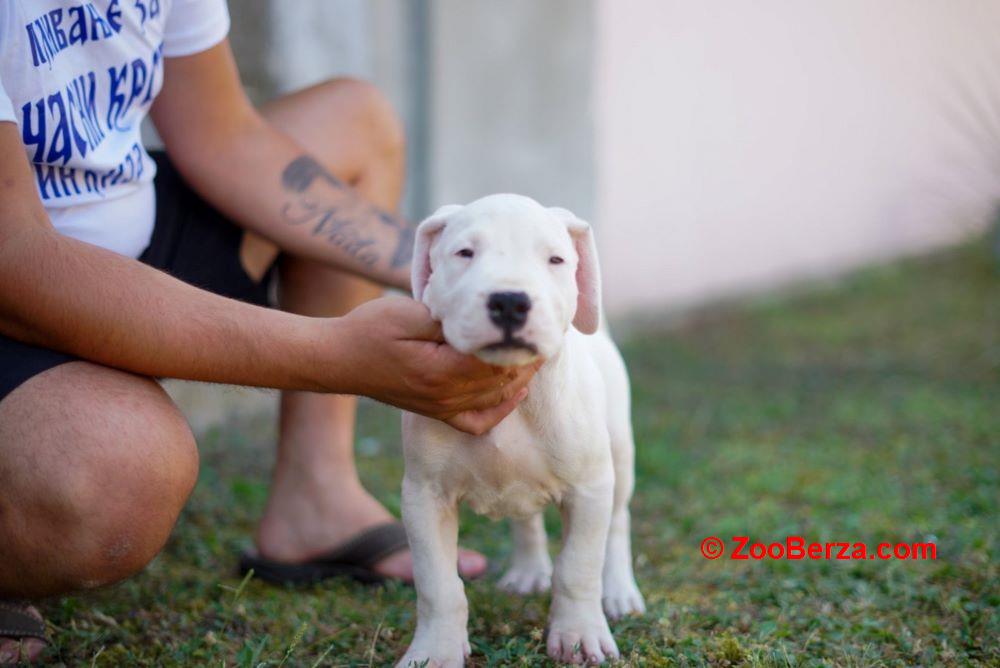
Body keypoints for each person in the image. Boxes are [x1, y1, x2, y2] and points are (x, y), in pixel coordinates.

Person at [0, 2, 538, 662]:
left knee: (354, 124)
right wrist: (336, 354)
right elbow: (15, 259)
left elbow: (224, 137)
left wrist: (444, 271)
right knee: (117, 479)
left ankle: (316, 497)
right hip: (20, 271)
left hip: (122, 226)